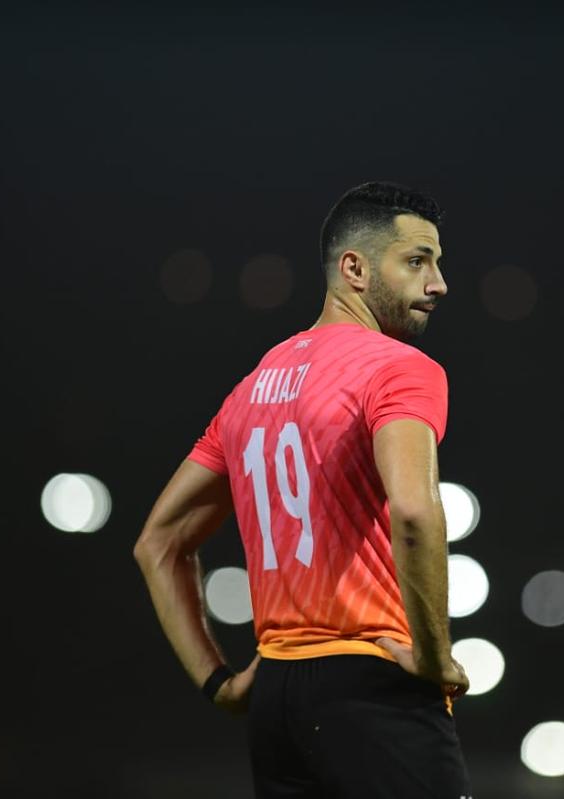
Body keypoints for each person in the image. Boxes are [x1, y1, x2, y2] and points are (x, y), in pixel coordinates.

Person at [133, 180, 472, 798]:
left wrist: (219, 683)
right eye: (417, 261)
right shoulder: (398, 368)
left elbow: (157, 543)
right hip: (375, 689)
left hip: (277, 704)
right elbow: (417, 513)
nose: (439, 283)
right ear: (355, 269)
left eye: (439, 263)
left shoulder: (250, 388)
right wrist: (433, 655)